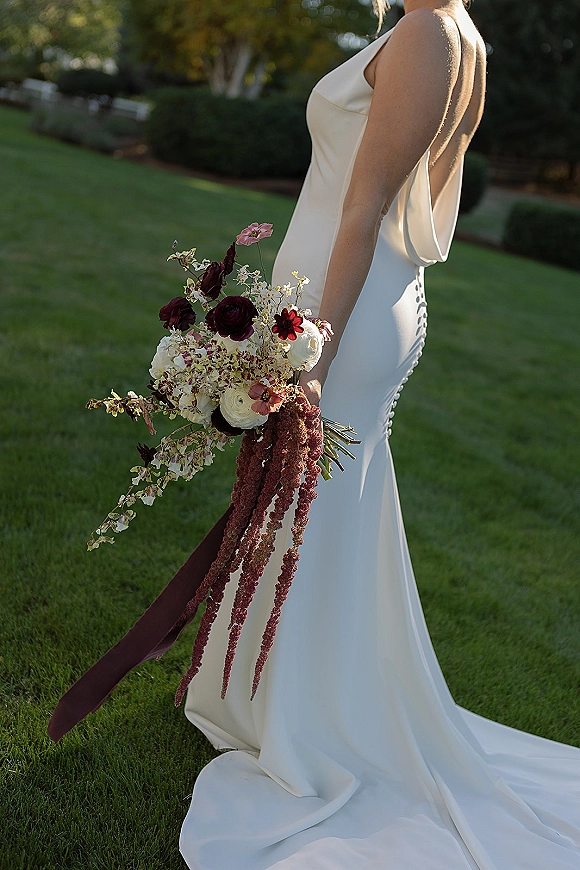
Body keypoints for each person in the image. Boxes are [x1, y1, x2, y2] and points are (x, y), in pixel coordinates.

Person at [179, 1, 580, 867]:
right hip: (345, 299)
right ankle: (285, 699)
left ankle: (311, 723)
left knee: (316, 503)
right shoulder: (440, 28)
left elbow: (363, 208)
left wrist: (313, 356)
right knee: (316, 507)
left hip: (345, 310)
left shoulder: (434, 34)